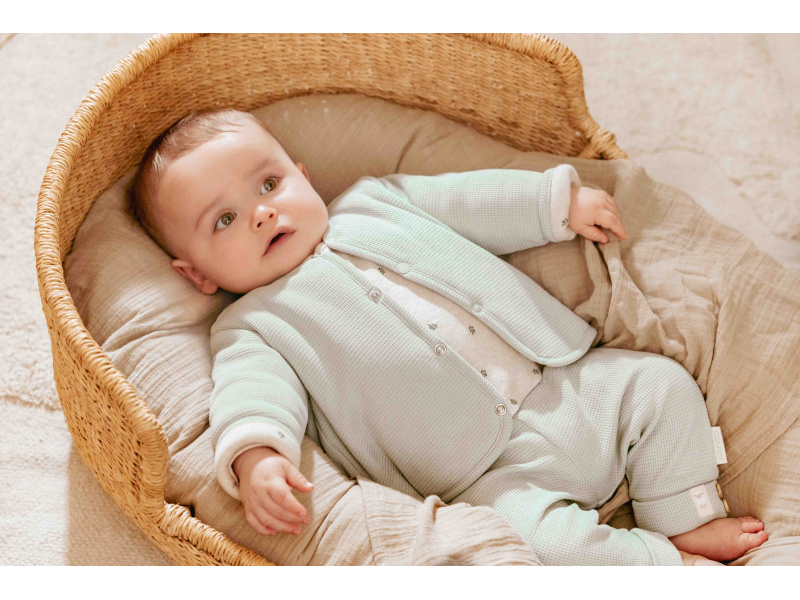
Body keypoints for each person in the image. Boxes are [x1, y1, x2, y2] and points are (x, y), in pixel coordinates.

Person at [128, 107, 768, 566]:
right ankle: (658, 563)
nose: (262, 212)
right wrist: (258, 456)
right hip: (485, 478)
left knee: (660, 386)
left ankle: (683, 516)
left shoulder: (373, 203)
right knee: (541, 549)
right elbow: (252, 393)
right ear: (197, 275)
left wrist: (553, 205)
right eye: (225, 220)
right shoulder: (253, 326)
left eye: (270, 185)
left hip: (567, 382)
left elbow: (467, 201)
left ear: (302, 174)